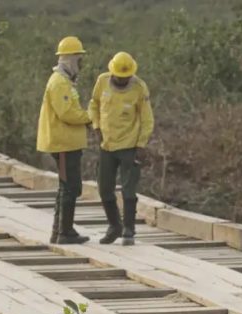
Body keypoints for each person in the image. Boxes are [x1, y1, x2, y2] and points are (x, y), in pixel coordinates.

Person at [89, 51, 154, 246]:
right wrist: (96, 126)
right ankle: (114, 225)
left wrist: (141, 144)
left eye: (126, 77)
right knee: (104, 188)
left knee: (128, 190)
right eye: (119, 76)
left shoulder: (139, 88)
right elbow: (94, 105)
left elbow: (147, 119)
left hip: (129, 146)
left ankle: (129, 229)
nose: (122, 80)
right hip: (107, 145)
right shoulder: (102, 81)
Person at [37, 36, 92, 245]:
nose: (81, 63)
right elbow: (68, 113)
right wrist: (90, 118)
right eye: (79, 59)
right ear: (70, 59)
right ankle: (64, 232)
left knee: (67, 186)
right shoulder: (59, 83)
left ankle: (59, 230)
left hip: (68, 143)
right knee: (70, 187)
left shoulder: (65, 81)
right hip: (63, 144)